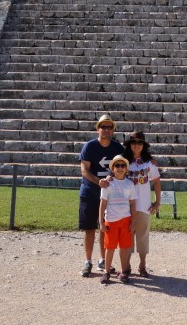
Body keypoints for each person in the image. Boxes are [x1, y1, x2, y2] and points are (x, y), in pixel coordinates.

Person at [78, 114, 124, 277]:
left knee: (105, 227)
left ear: (113, 130)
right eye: (103, 126)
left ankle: (102, 260)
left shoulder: (118, 148)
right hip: (90, 192)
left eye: (109, 127)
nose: (106, 130)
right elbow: (84, 170)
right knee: (89, 228)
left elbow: (126, 165)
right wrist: (99, 182)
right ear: (97, 129)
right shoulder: (89, 147)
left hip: (110, 194)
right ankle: (87, 261)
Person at [122, 131, 161, 277]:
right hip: (126, 206)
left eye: (140, 143)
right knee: (127, 237)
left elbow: (156, 181)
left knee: (143, 237)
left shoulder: (149, 163)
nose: (136, 145)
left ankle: (142, 266)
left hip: (144, 205)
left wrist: (157, 202)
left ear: (143, 145)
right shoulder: (123, 162)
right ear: (129, 145)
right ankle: (127, 266)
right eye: (134, 142)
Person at [99, 154, 137, 285]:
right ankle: (106, 271)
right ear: (113, 168)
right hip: (111, 220)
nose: (120, 168)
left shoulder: (130, 184)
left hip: (125, 219)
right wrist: (101, 222)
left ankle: (123, 270)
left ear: (126, 169)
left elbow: (132, 203)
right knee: (109, 247)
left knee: (124, 247)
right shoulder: (108, 184)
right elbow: (102, 204)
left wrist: (133, 221)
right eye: (117, 165)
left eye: (122, 165)